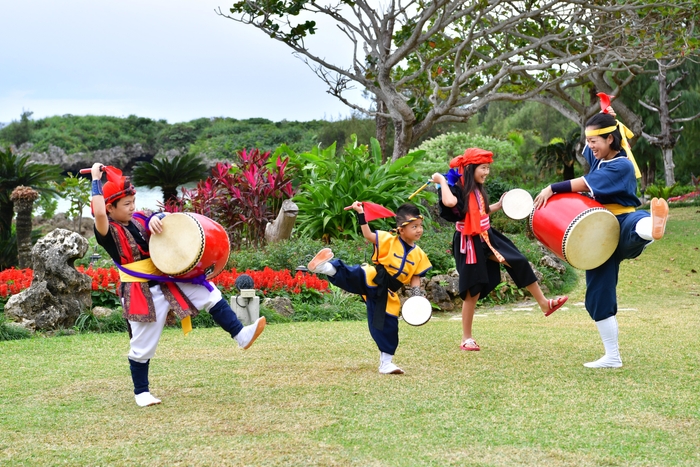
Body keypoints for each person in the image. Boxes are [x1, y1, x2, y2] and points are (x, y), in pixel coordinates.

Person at [89, 163, 266, 407]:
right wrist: (96, 180)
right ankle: (141, 393)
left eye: (133, 202)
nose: (132, 208)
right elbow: (98, 214)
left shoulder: (140, 220)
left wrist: (158, 218)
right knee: (142, 346)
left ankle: (241, 334)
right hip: (138, 292)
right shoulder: (106, 231)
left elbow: (163, 222)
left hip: (164, 283)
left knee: (208, 291)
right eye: (126, 204)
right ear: (110, 207)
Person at [534, 112, 669, 368]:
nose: (590, 146)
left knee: (631, 227)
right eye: (589, 140)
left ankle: (652, 227)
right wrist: (605, 111)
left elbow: (583, 184)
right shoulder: (599, 157)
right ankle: (612, 357)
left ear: (610, 139)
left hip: (619, 221)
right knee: (598, 295)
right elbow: (592, 143)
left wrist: (552, 187)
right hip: (598, 235)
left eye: (595, 140)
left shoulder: (621, 164)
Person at [432, 148, 568, 352]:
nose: (486, 172)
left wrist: (500, 204)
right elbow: (450, 203)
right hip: (469, 241)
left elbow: (481, 212)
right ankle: (466, 338)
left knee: (518, 260)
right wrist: (441, 181)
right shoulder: (457, 188)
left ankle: (544, 303)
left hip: (487, 235)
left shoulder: (477, 188)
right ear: (470, 168)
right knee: (473, 289)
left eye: (488, 168)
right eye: (483, 168)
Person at [306, 202, 432, 375]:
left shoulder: (420, 255)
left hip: (388, 294)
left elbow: (415, 278)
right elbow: (367, 234)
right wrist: (360, 213)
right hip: (374, 276)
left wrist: (416, 299)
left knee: (388, 325)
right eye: (414, 226)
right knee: (355, 274)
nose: (419, 230)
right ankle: (324, 267)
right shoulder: (388, 239)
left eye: (420, 226)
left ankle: (386, 364)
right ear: (401, 230)